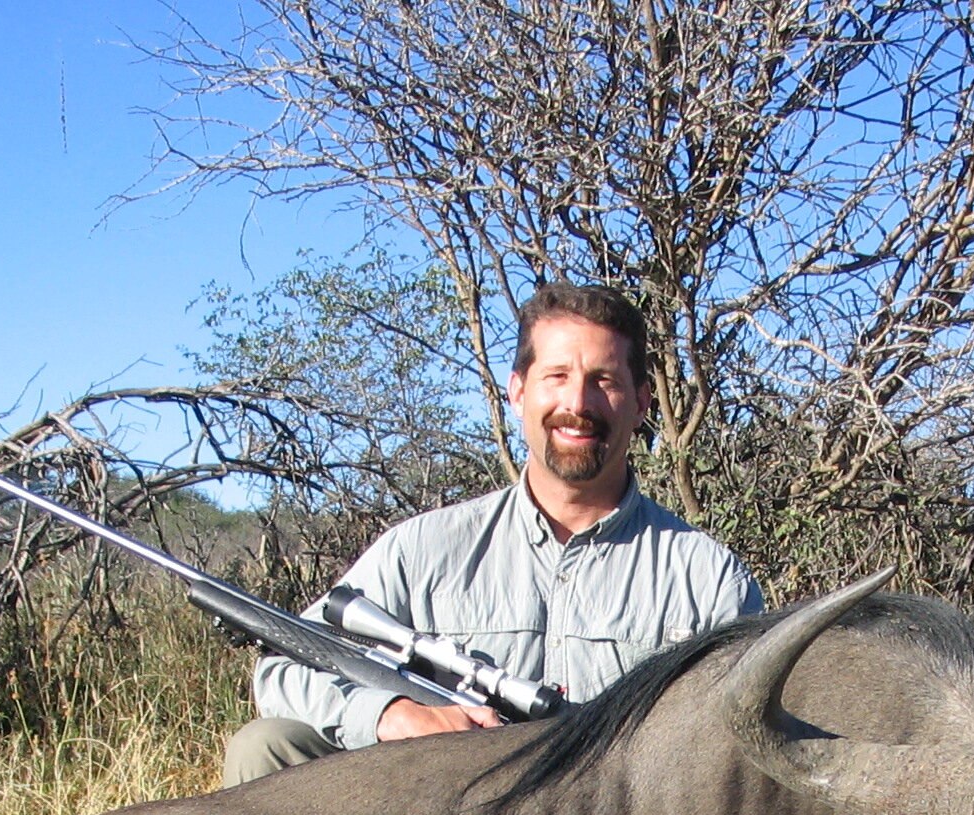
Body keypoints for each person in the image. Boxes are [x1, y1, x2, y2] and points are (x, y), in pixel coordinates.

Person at [222, 282, 762, 787]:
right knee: (266, 746)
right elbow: (285, 666)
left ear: (642, 402)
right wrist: (391, 715)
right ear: (518, 391)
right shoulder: (422, 549)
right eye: (556, 376)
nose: (577, 403)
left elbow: (742, 749)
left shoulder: (709, 577)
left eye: (604, 380)